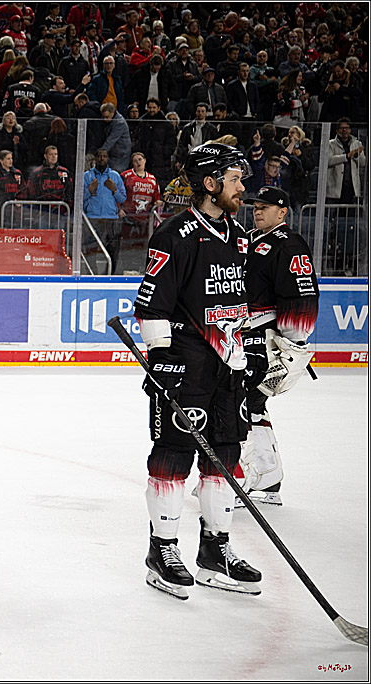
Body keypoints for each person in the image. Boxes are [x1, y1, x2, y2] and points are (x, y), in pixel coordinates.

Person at [133, 142, 261, 600]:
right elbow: (150, 305)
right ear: (210, 184)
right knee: (173, 455)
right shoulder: (176, 234)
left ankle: (214, 550)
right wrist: (162, 359)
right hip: (187, 366)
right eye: (234, 179)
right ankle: (162, 550)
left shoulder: (239, 236)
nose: (242, 187)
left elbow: (239, 302)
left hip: (229, 365)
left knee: (224, 457)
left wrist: (253, 351)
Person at [238, 186, 319, 507]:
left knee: (238, 404)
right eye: (256, 206)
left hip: (269, 339)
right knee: (251, 405)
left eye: (266, 207)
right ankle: (269, 477)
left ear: (283, 211)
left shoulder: (289, 245)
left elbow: (302, 294)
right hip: (246, 335)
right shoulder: (250, 238)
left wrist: (292, 343)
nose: (258, 211)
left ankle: (239, 479)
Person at [83, 149, 126, 273]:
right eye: (99, 156)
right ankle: (91, 275)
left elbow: (122, 198)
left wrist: (114, 190)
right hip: (92, 218)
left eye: (105, 156)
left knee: (113, 250)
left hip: (111, 219)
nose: (102, 159)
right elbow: (79, 198)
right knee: (91, 250)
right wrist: (90, 190)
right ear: (95, 159)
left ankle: (110, 276)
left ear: (108, 159)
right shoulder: (87, 176)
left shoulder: (115, 176)